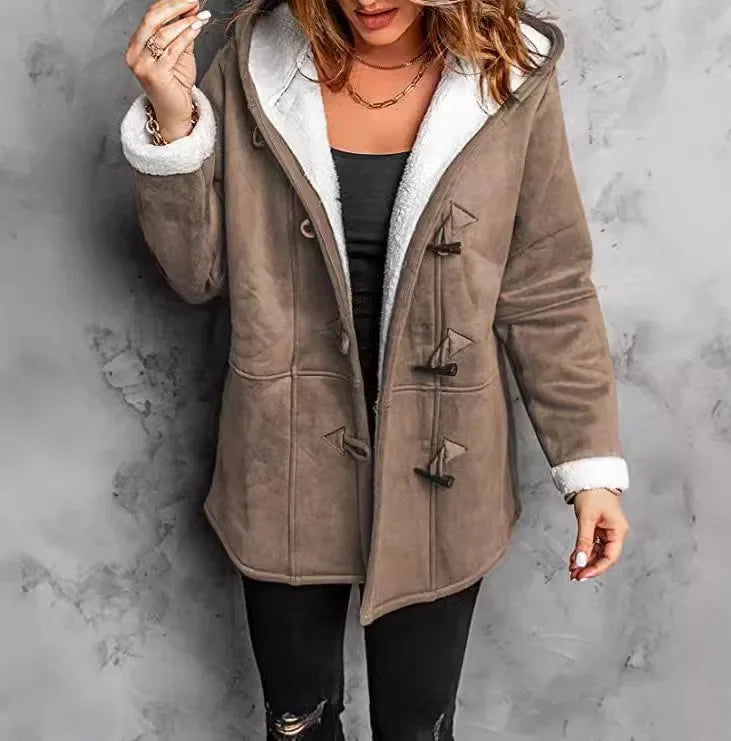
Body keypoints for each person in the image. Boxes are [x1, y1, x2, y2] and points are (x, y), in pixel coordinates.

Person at [120, 0, 632, 738]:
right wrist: (173, 119)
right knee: (297, 723)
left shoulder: (509, 77)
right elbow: (197, 275)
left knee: (417, 727)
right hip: (283, 460)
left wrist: (590, 471)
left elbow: (547, 289)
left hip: (444, 467)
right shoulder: (256, 66)